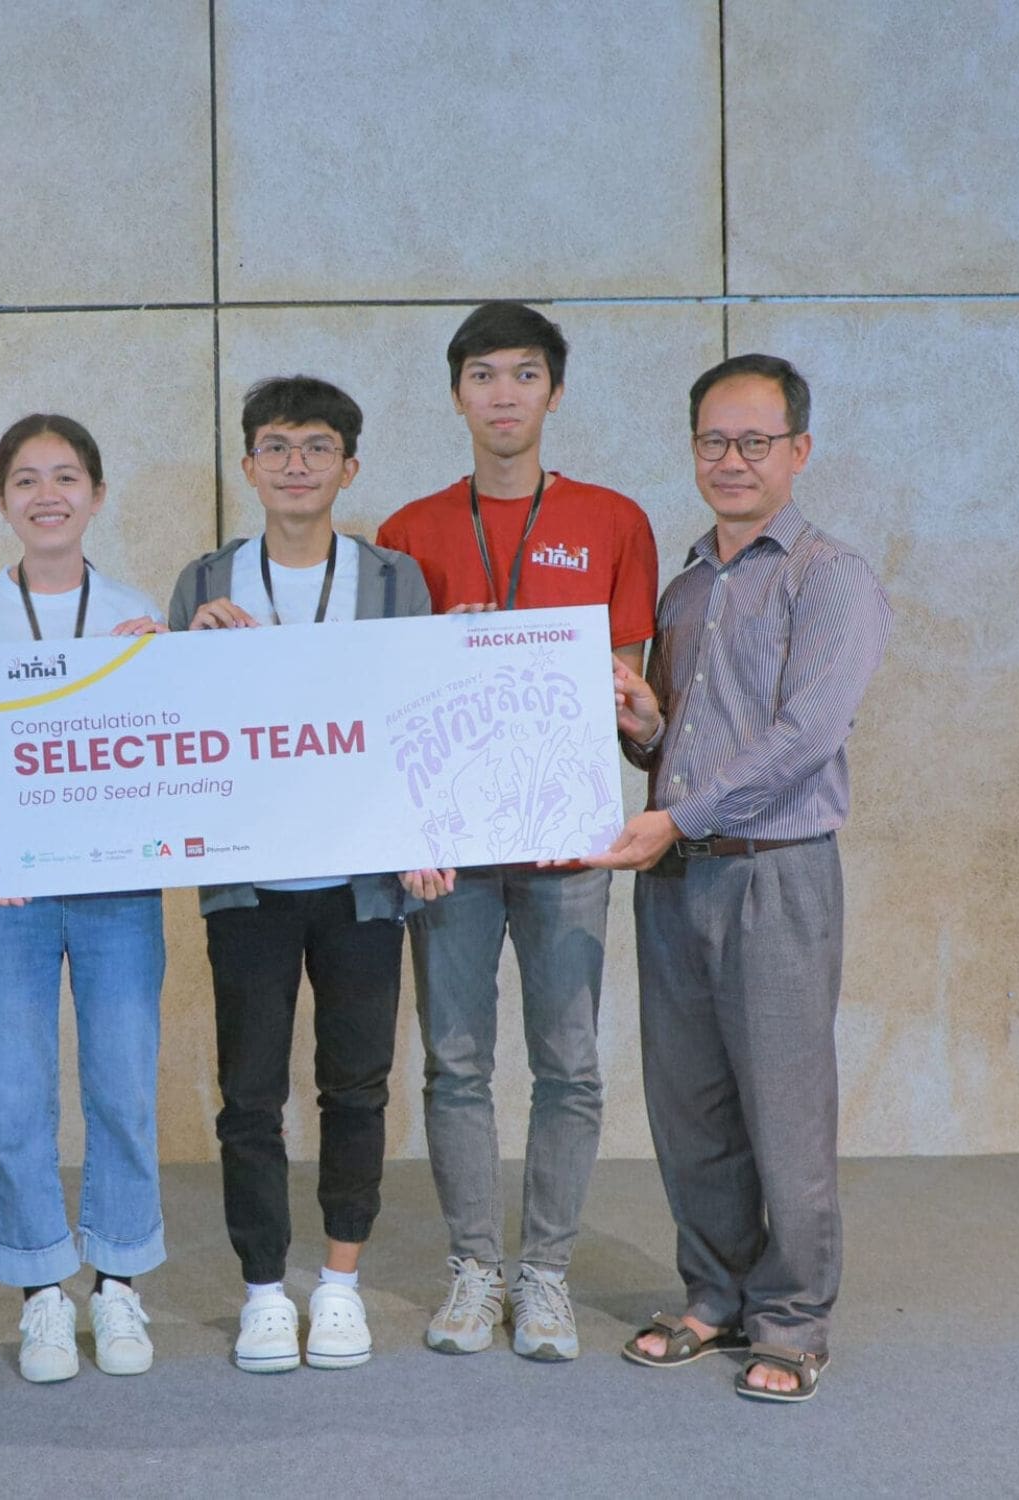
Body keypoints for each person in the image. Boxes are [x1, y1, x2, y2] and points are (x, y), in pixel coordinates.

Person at [588, 353, 890, 1403]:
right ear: (691, 451)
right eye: (712, 441)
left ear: (796, 451)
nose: (730, 460)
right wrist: (643, 730)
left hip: (775, 874)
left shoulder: (828, 576)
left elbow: (804, 737)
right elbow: (687, 742)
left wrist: (672, 812)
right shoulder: (682, 586)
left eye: (753, 441)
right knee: (690, 1104)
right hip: (675, 878)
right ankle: (711, 1296)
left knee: (782, 1104)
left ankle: (793, 1318)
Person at [376, 301, 659, 1360]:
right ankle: (471, 1269)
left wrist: (636, 712)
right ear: (456, 394)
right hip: (448, 842)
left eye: (523, 375)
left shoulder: (612, 519)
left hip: (564, 840)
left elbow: (627, 683)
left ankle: (542, 1273)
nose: (503, 395)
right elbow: (386, 700)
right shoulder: (407, 531)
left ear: (552, 391)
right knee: (453, 1063)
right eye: (483, 376)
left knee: (567, 1063)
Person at [168, 376, 430, 1374]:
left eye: (316, 447)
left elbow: (415, 715)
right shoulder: (205, 578)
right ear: (246, 466)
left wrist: (421, 837)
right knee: (247, 1092)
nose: (294, 465)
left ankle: (341, 1284)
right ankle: (263, 1291)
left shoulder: (391, 578)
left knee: (354, 1084)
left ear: (348, 467)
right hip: (247, 880)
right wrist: (182, 659)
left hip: (362, 880)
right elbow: (176, 726)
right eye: (274, 446)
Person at [0, 414, 169, 1383]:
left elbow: (161, 748)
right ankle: (39, 1290)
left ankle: (117, 1284)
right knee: (17, 1091)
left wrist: (159, 662)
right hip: (12, 888)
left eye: (65, 476)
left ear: (97, 496)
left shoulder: (133, 608)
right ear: (2, 502)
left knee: (121, 1084)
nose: (46, 495)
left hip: (117, 886)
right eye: (24, 480)